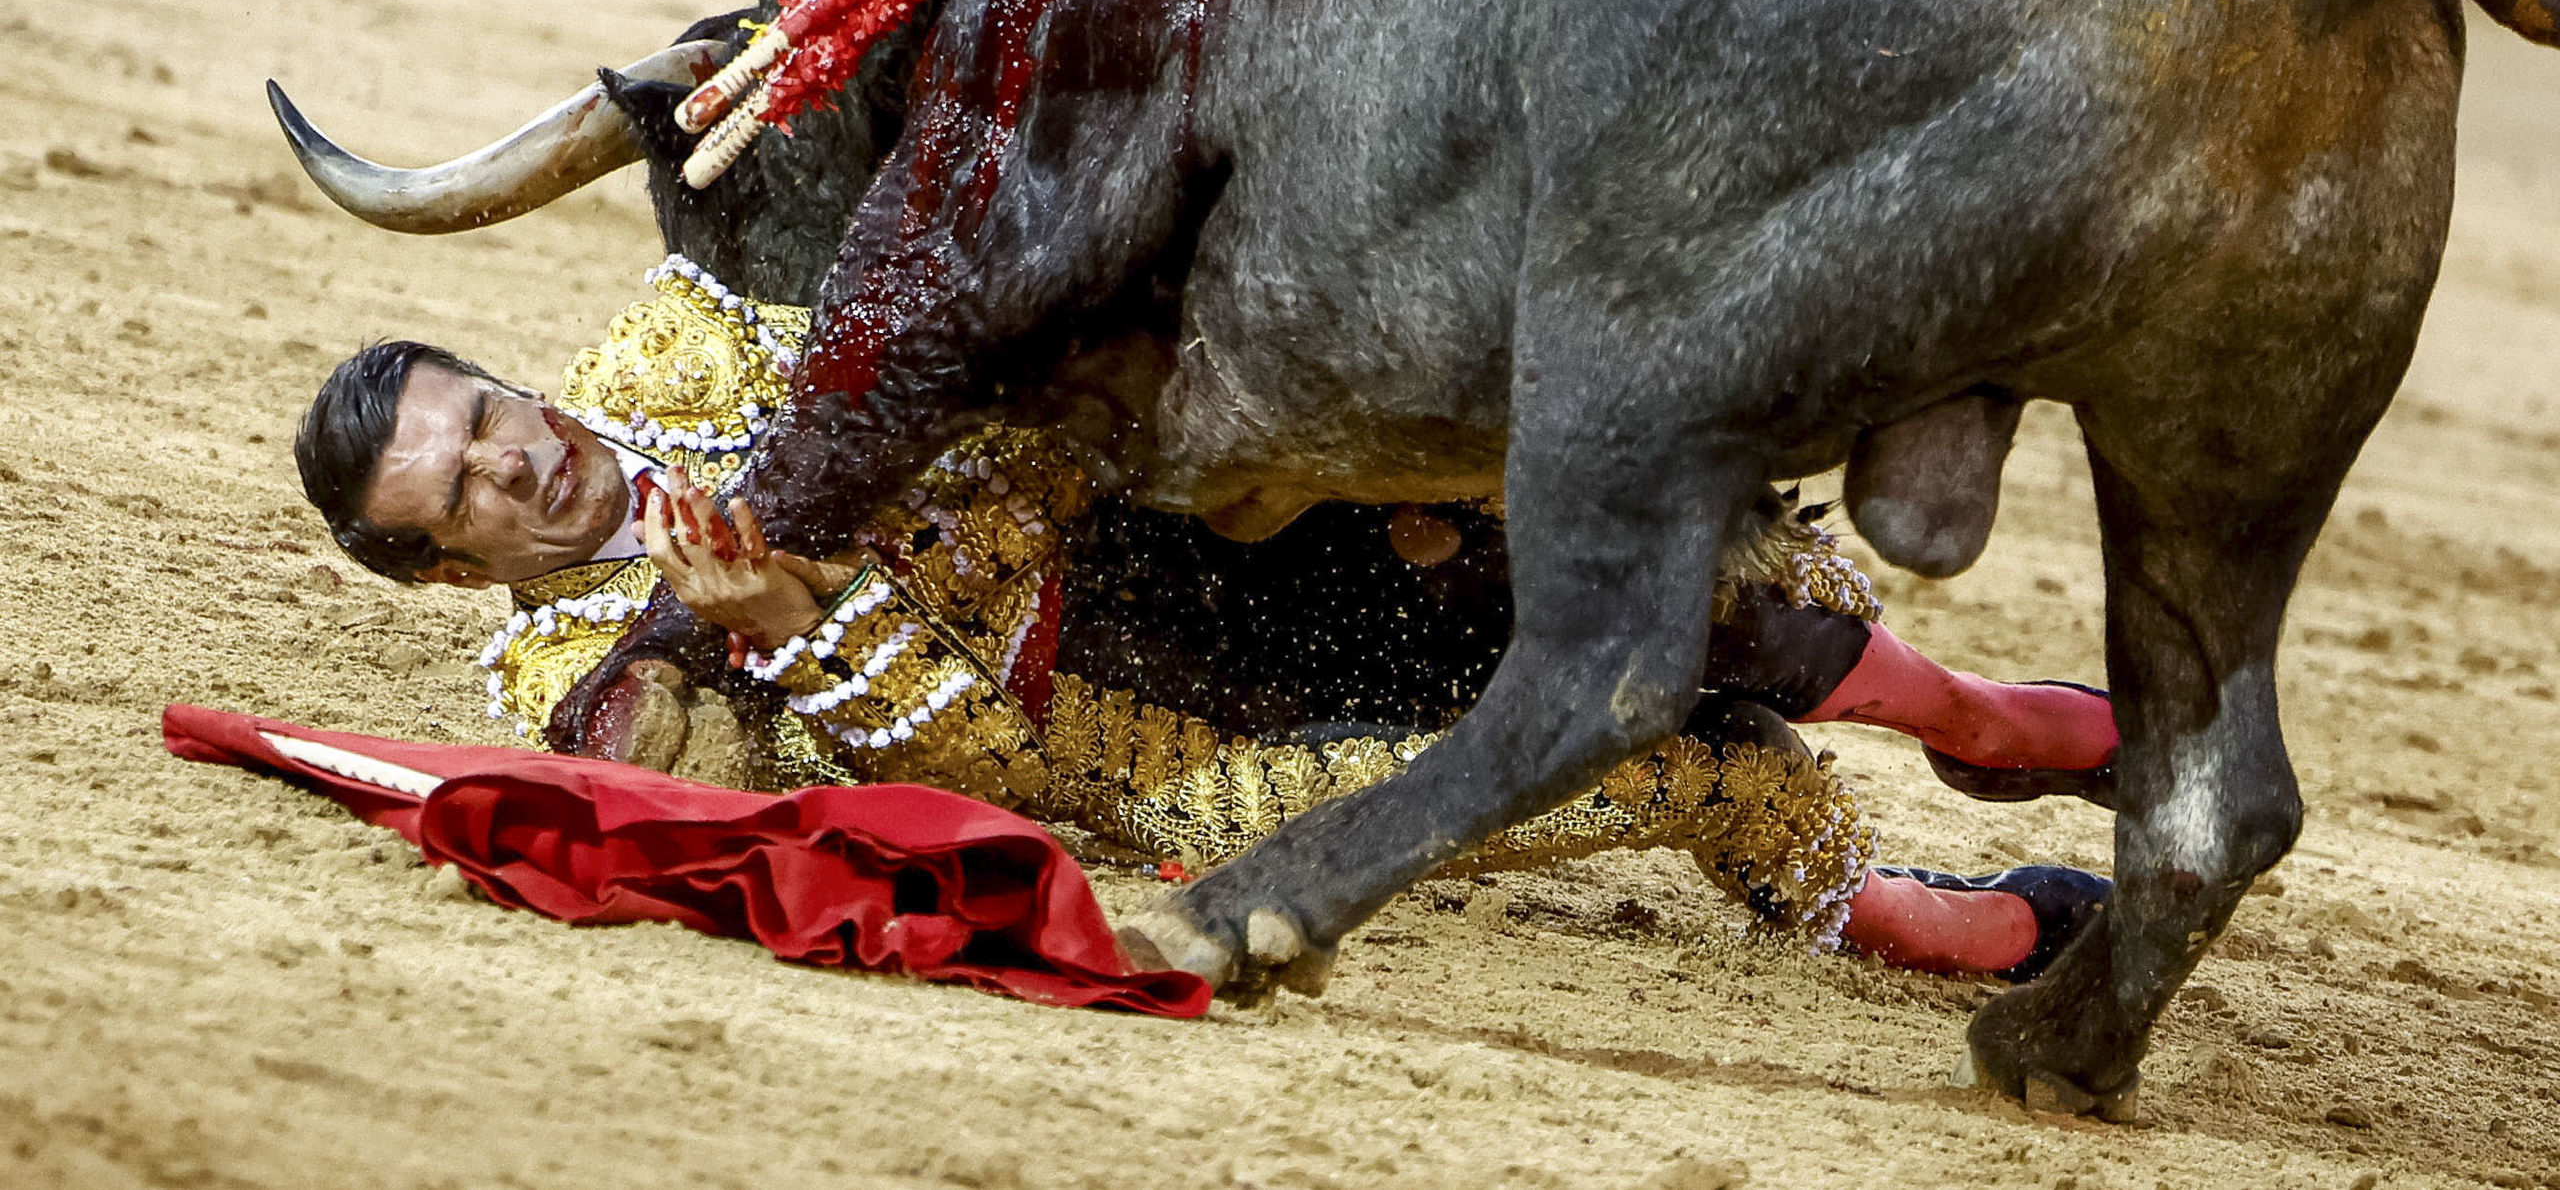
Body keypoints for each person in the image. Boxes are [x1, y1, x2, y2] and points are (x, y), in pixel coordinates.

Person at [297, 254, 2121, 980]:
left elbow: (920, 253)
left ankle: (1969, 714)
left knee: (1620, 544)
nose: (512, 464)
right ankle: (1883, 909)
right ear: (451, 565)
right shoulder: (586, 685)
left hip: (1194, 519)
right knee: (1642, 753)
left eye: (483, 415)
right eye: (456, 494)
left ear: (505, 375)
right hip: (1185, 752)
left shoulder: (679, 333)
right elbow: (970, 768)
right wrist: (774, 621)